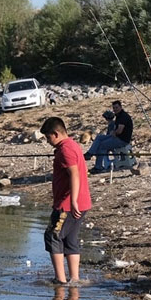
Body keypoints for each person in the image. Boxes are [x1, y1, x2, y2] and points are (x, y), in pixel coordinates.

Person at [41, 116, 92, 285]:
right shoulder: (72, 145)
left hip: (68, 205)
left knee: (53, 236)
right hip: (81, 202)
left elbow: (74, 174)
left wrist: (73, 202)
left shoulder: (65, 150)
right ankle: (75, 279)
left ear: (56, 134)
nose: (48, 141)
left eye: (48, 137)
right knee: (70, 239)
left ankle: (60, 280)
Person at [85, 100, 134, 173]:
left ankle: (98, 167)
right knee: (99, 137)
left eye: (116, 107)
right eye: (114, 108)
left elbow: (119, 131)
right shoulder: (118, 116)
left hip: (122, 140)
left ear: (120, 107)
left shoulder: (123, 117)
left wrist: (114, 132)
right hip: (116, 137)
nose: (115, 109)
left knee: (102, 145)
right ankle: (90, 153)